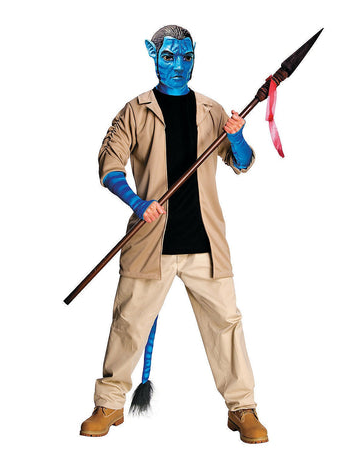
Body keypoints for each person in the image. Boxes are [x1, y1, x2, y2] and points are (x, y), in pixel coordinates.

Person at [80, 24, 268, 444]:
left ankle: (242, 408)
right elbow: (109, 166)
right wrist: (137, 203)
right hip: (150, 244)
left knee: (226, 326)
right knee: (128, 324)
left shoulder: (213, 111)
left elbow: (242, 162)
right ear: (153, 55)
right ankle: (109, 404)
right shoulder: (135, 111)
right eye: (169, 56)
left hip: (207, 245)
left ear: (195, 54)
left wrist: (237, 137)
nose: (179, 65)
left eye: (187, 56)